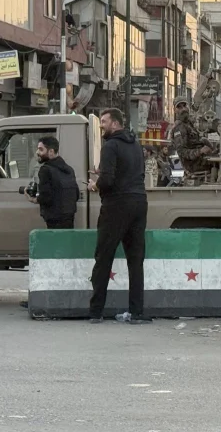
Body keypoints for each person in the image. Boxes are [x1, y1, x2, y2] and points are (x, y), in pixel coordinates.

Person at [86, 108, 150, 324]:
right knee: (136, 260)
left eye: (104, 121)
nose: (101, 125)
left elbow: (108, 180)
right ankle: (137, 312)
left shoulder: (110, 146)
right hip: (139, 202)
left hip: (116, 205)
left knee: (103, 258)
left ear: (115, 123)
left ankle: (96, 312)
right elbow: (135, 172)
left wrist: (95, 185)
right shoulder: (136, 144)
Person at [33, 135, 79, 229]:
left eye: (41, 149)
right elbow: (76, 194)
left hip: (53, 219)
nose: (37, 152)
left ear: (51, 151)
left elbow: (46, 197)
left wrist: (34, 199)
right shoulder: (69, 169)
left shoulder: (45, 170)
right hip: (69, 216)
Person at [169, 98, 212, 183]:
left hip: (202, 161)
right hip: (194, 166)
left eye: (184, 105)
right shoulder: (179, 128)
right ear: (175, 110)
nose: (183, 109)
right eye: (179, 107)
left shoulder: (189, 124)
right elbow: (182, 152)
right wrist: (200, 151)